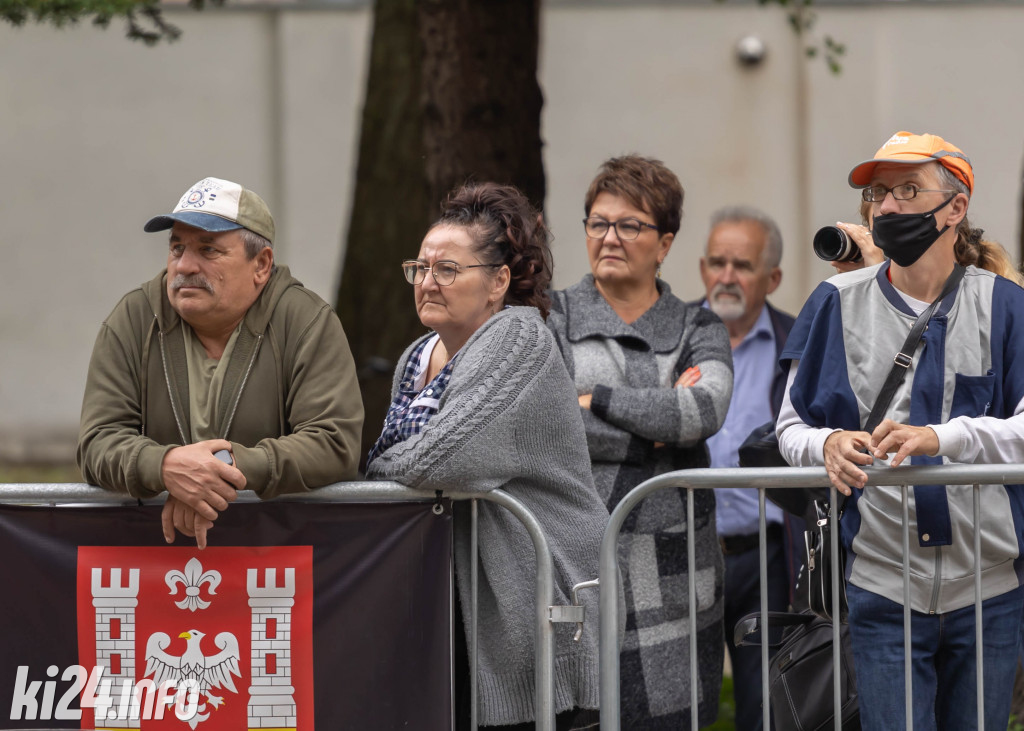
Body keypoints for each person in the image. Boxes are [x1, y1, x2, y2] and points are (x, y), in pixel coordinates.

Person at [777, 131, 1024, 730]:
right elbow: (789, 427)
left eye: (907, 191)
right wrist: (827, 443)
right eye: (879, 193)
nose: (885, 206)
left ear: (955, 208)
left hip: (989, 587)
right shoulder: (835, 300)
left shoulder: (1007, 304)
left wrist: (948, 438)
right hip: (882, 586)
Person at [365, 182, 606, 730]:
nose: (427, 282)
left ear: (498, 281)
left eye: (447, 269)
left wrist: (379, 471)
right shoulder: (417, 354)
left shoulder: (518, 336)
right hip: (463, 604)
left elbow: (439, 461)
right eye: (420, 268)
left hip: (536, 605)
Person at [547, 155, 733, 728]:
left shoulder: (698, 328)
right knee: (576, 713)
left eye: (630, 225)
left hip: (672, 574)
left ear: (665, 242)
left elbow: (701, 410)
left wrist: (597, 398)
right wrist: (657, 434)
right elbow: (546, 426)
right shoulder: (548, 318)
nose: (609, 237)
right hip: (573, 562)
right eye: (597, 223)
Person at [77, 177, 363, 548]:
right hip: (152, 559)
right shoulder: (133, 318)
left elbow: (333, 443)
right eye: (177, 248)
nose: (184, 266)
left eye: (208, 250)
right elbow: (97, 442)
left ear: (261, 265)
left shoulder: (306, 321)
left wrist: (219, 470)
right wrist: (167, 466)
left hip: (276, 561)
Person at [698, 205, 795, 731]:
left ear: (772, 277)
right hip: (684, 552)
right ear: (701, 268)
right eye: (717, 262)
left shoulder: (797, 340)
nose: (727, 277)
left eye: (743, 265)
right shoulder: (676, 336)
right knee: (682, 700)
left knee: (767, 706)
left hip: (767, 558)